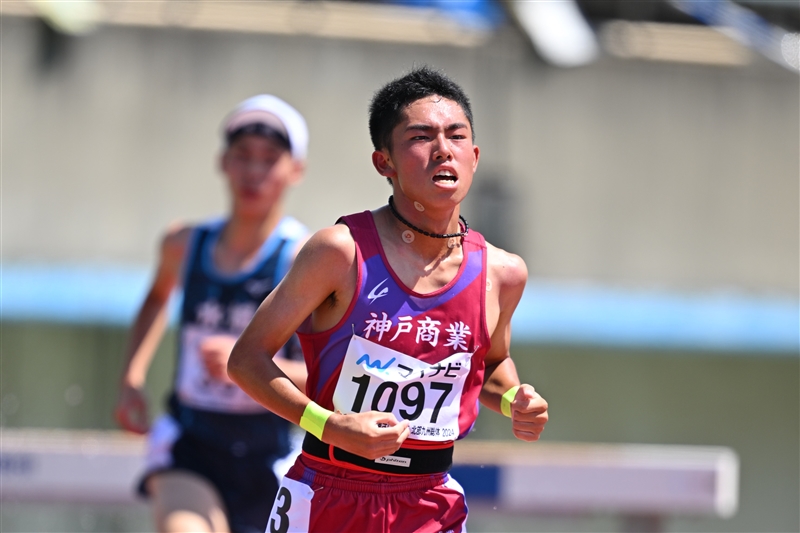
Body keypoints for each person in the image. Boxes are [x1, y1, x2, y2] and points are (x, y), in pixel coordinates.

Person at [227, 67, 549, 533]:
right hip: (327, 494)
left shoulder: (503, 273)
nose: (443, 149)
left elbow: (490, 367)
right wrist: (328, 425)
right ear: (385, 163)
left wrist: (518, 398)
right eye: (421, 136)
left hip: (429, 502)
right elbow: (246, 360)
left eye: (456, 136)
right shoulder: (338, 251)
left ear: (474, 157)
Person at [114, 94, 310, 533]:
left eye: (269, 159)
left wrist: (250, 366)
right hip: (192, 444)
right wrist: (132, 376)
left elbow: (330, 378)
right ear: (223, 163)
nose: (254, 172)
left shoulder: (305, 260)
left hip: (273, 454)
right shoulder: (183, 243)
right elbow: (155, 299)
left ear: (296, 170)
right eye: (242, 156)